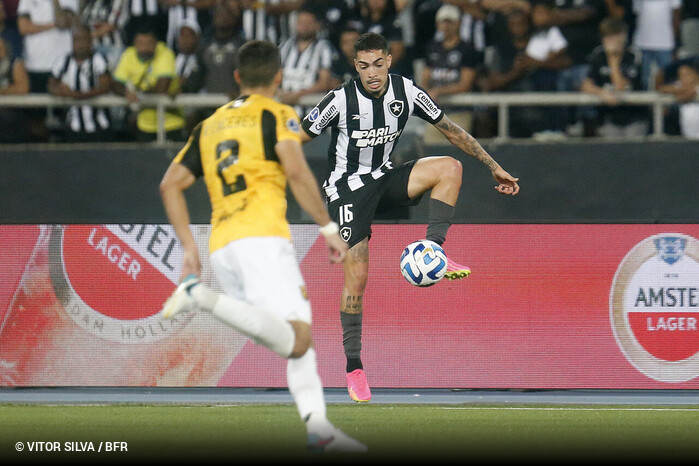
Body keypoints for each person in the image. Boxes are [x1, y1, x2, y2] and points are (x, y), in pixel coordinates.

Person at [158, 39, 367, 453]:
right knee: (300, 340)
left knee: (291, 336)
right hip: (262, 239)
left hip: (222, 245)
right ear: (279, 77)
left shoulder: (210, 124)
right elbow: (296, 170)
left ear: (236, 77)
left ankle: (319, 429)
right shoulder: (277, 114)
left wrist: (188, 249)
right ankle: (200, 297)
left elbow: (170, 184)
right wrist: (328, 229)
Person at [300, 32, 520, 402]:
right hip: (346, 191)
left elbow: (450, 130)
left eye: (379, 64)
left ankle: (434, 249)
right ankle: (354, 368)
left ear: (389, 61)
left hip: (384, 179)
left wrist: (493, 166)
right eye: (364, 66)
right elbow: (298, 134)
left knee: (449, 167)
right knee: (358, 276)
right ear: (356, 66)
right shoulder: (339, 100)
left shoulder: (407, 93)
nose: (372, 73)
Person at [112, 22, 185, 141]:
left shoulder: (165, 53)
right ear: (134, 43)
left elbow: (162, 87)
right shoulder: (128, 55)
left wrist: (137, 94)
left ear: (156, 43)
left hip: (171, 122)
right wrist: (126, 92)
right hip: (144, 124)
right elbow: (116, 84)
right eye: (140, 43)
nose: (144, 48)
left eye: (149, 43)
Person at [581, 16, 648, 137]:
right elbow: (586, 85)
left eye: (612, 36)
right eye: (605, 37)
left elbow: (621, 87)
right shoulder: (598, 54)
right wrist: (602, 93)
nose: (608, 41)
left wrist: (613, 61)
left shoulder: (634, 55)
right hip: (609, 118)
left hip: (633, 117)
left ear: (622, 36)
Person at [421, 4, 479, 142]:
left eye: (450, 22)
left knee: (456, 150)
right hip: (437, 112)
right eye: (443, 21)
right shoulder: (433, 48)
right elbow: (425, 77)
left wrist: (439, 91)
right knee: (430, 148)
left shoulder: (467, 49)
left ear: (458, 23)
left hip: (460, 111)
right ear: (437, 24)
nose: (446, 26)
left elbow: (465, 85)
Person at [47, 24, 113, 142]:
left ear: (90, 41)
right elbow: (51, 85)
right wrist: (60, 91)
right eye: (77, 40)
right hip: (72, 125)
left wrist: (76, 96)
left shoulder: (99, 60)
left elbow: (106, 86)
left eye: (84, 39)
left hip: (99, 126)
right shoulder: (63, 61)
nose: (80, 44)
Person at [278, 8, 334, 116]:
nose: (304, 26)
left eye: (308, 23)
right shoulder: (285, 46)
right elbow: (275, 75)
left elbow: (324, 82)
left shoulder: (323, 48)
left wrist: (299, 94)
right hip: (284, 110)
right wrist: (279, 92)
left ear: (317, 25)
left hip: (310, 113)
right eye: (301, 22)